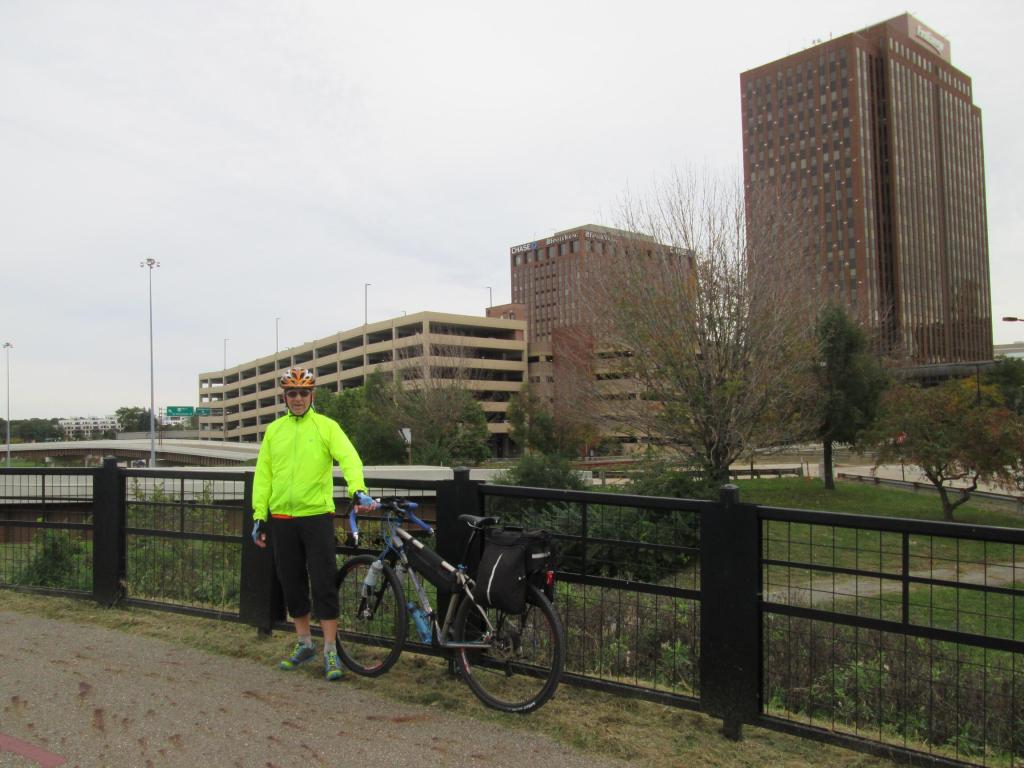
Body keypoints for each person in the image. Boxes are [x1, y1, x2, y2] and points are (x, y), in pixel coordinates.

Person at [251, 367, 375, 681]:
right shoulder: (274, 431)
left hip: (316, 516)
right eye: (291, 393)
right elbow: (263, 476)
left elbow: (349, 457)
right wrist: (258, 515)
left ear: (312, 395)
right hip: (281, 518)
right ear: (284, 397)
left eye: (303, 393)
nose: (297, 398)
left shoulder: (326, 426)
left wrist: (357, 488)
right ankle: (304, 643)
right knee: (291, 584)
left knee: (323, 583)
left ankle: (330, 650)